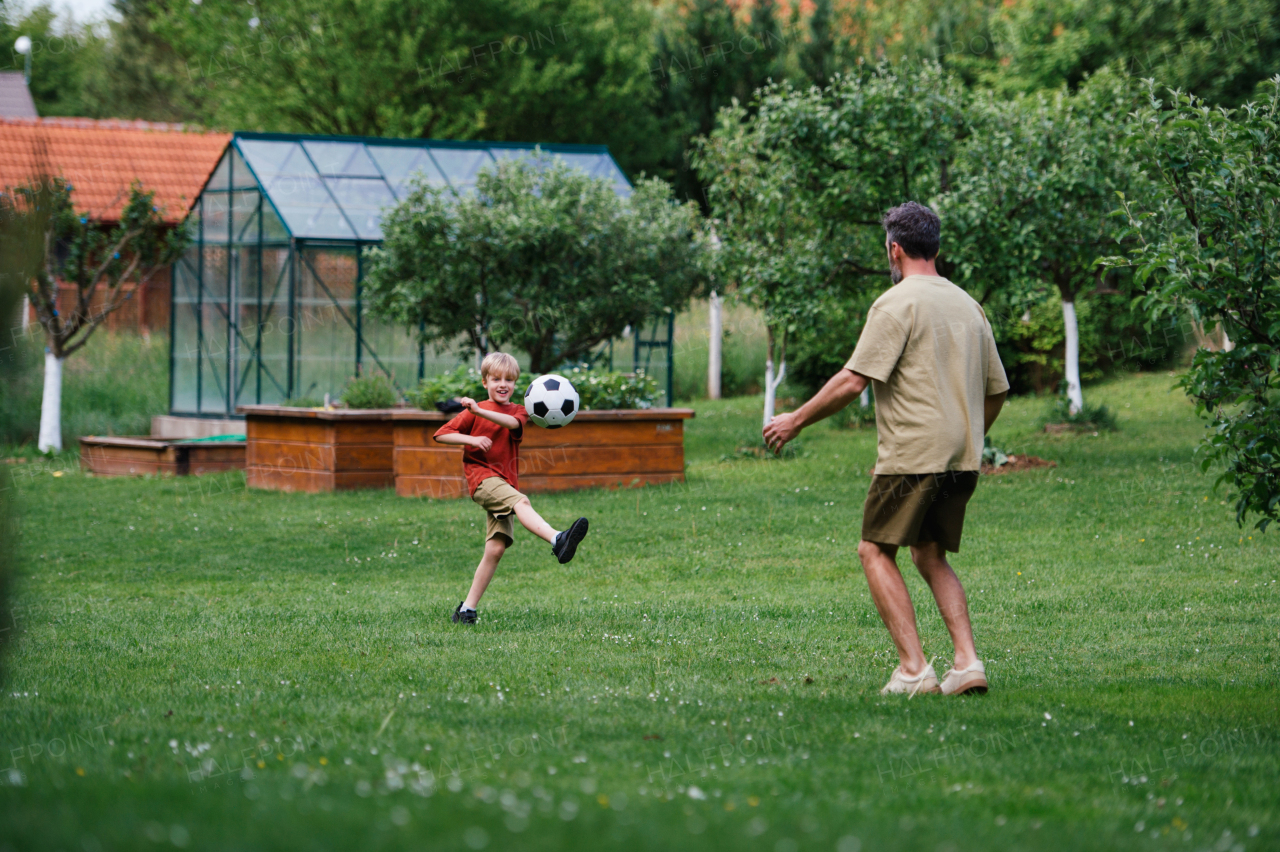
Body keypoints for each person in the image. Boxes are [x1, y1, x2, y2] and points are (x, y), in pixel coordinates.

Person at [762, 202, 1009, 696]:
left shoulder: (895, 303)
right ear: (935, 247)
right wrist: (968, 435)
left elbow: (852, 381)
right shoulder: (968, 304)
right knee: (929, 553)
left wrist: (794, 420)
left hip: (914, 451)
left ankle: (915, 670)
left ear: (895, 249)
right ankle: (968, 663)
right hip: (961, 455)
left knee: (874, 550)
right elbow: (997, 390)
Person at [433, 352, 589, 625]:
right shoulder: (473, 412)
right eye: (496, 379)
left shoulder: (519, 410)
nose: (502, 384)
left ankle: (466, 611)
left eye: (509, 379)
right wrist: (471, 439)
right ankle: (557, 540)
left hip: (504, 483)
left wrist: (479, 412)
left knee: (496, 549)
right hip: (482, 480)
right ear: (485, 382)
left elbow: (513, 425)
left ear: (516, 384)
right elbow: (441, 434)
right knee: (523, 502)